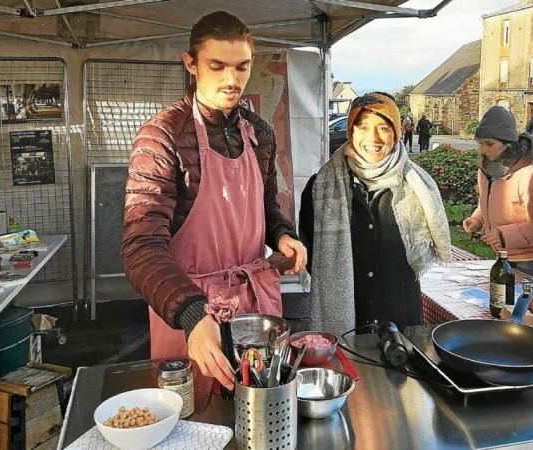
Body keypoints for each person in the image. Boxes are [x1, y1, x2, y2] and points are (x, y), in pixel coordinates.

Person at [121, 11, 307, 390]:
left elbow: (267, 205)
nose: (231, 80)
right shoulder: (162, 136)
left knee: (259, 404)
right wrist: (191, 314)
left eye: (242, 67)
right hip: (191, 307)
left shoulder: (260, 133)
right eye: (217, 66)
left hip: (255, 305)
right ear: (191, 63)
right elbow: (141, 246)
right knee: (197, 411)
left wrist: (283, 233)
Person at [299, 92, 451, 335]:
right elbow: (311, 253)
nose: (373, 137)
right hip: (347, 325)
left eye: (383, 127)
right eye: (362, 127)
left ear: (397, 133)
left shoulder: (418, 186)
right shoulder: (320, 187)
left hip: (401, 322)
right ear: (351, 131)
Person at [463, 106, 533, 277]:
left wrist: (503, 235)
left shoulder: (532, 176)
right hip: (504, 256)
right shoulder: (485, 171)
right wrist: (477, 219)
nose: (483, 150)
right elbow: (486, 202)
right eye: (481, 143)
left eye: (489, 144)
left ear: (508, 143)